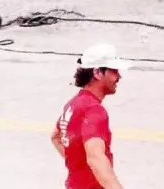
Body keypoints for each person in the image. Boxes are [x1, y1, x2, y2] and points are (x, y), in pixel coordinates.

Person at [51, 43, 131, 189]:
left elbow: (55, 137)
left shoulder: (73, 104)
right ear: (97, 73)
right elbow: (96, 158)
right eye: (114, 71)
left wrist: (78, 167)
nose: (118, 76)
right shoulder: (94, 110)